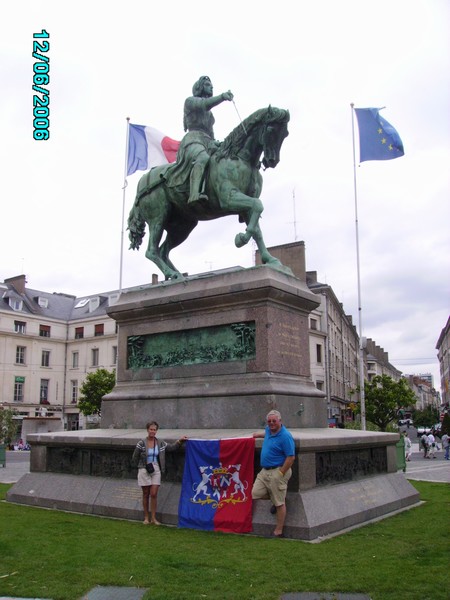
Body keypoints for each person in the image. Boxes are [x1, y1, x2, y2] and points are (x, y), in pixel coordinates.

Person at [175, 76, 233, 204]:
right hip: (193, 140)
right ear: (199, 87)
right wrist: (222, 97)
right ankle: (194, 193)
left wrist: (217, 143)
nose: (211, 87)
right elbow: (204, 105)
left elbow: (211, 134)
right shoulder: (190, 101)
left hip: (207, 142)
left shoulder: (209, 115)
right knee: (203, 158)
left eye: (211, 85)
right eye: (207, 84)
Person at [132, 421, 187, 525]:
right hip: (144, 468)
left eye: (154, 429)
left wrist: (180, 441)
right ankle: (146, 517)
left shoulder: (160, 442)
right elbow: (135, 457)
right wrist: (140, 466)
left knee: (154, 493)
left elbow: (171, 448)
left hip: (156, 468)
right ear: (147, 430)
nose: (152, 431)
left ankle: (153, 518)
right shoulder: (141, 443)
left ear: (156, 431)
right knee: (146, 494)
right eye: (151, 429)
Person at [251, 409, 295, 537]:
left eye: (274, 421)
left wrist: (281, 473)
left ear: (280, 421)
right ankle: (277, 497)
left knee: (279, 503)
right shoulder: (269, 431)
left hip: (278, 470)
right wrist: (256, 435)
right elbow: (266, 433)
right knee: (255, 493)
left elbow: (291, 457)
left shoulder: (285, 436)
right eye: (269, 421)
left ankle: (279, 530)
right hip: (265, 471)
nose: (271, 423)